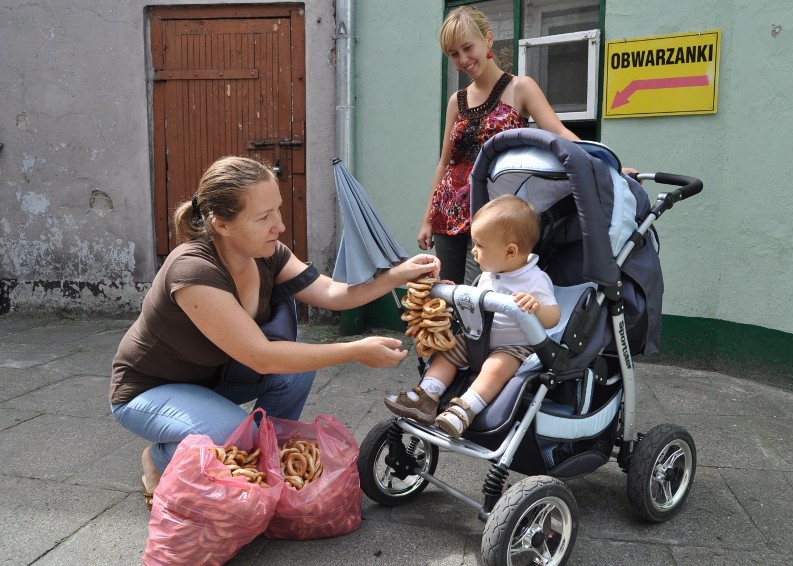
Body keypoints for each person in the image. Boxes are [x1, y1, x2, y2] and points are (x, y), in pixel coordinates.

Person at [110, 156, 440, 508]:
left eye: (278, 211)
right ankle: (158, 458)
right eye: (264, 217)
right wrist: (356, 350)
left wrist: (398, 275)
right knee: (234, 436)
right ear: (222, 225)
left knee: (295, 375)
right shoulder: (193, 270)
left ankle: (261, 453)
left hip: (211, 379)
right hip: (149, 391)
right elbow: (261, 357)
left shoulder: (266, 254)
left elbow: (333, 294)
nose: (279, 226)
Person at [417, 5, 580, 285]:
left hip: (493, 213)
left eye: (468, 47)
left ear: (488, 39)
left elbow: (559, 133)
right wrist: (427, 219)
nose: (463, 59)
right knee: (446, 300)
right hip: (448, 211)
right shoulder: (457, 100)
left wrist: (604, 163)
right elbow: (445, 162)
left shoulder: (520, 88)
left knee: (478, 299)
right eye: (454, 54)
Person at [387, 195, 561, 438]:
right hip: (477, 340)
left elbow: (554, 317)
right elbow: (475, 307)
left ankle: (465, 409)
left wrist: (537, 308)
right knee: (447, 352)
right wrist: (452, 293)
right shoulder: (490, 273)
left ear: (510, 252)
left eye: (480, 246)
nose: (474, 252)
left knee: (496, 366)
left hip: (514, 347)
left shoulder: (535, 279)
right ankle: (426, 396)